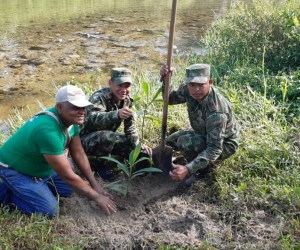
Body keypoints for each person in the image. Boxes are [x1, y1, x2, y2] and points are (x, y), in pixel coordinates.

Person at [0, 85, 117, 218]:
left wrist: (94, 185)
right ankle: (7, 193)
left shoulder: (72, 121)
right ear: (59, 107)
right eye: (75, 107)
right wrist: (97, 197)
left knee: (70, 190)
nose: (82, 112)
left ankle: (36, 187)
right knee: (49, 211)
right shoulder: (47, 130)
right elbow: (67, 176)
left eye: (83, 107)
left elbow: (79, 153)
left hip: (41, 166)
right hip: (15, 170)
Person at [160, 63, 239, 187]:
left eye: (201, 85)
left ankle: (203, 170)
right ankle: (192, 161)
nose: (196, 89)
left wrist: (188, 169)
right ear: (187, 84)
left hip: (224, 143)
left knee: (184, 141)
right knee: (171, 141)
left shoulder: (217, 112)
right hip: (203, 131)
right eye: (192, 84)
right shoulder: (188, 89)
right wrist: (167, 80)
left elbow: (214, 149)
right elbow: (170, 99)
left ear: (210, 82)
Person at [80, 68, 152, 181]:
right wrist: (116, 114)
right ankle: (100, 165)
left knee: (140, 151)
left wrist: (137, 145)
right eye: (120, 85)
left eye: (127, 86)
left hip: (108, 138)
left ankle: (137, 166)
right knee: (108, 136)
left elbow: (130, 129)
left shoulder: (127, 100)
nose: (123, 90)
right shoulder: (98, 97)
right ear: (110, 83)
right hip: (85, 140)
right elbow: (92, 119)